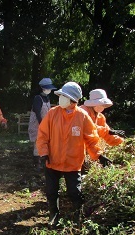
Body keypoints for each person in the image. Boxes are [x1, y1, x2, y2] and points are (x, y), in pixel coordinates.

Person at [36, 81, 111, 226]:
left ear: (73, 100)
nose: (61, 98)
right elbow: (42, 135)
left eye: (64, 96)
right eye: (61, 95)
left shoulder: (82, 116)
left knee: (75, 193)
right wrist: (44, 152)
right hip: (52, 160)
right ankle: (54, 216)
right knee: (52, 191)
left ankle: (77, 218)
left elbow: (91, 139)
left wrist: (99, 155)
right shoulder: (53, 113)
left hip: (73, 163)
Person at [28, 78, 56, 170]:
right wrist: (42, 124)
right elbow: (37, 113)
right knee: (37, 143)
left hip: (45, 123)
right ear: (43, 88)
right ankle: (37, 163)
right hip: (37, 124)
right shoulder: (38, 98)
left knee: (46, 142)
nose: (49, 90)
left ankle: (44, 160)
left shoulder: (47, 98)